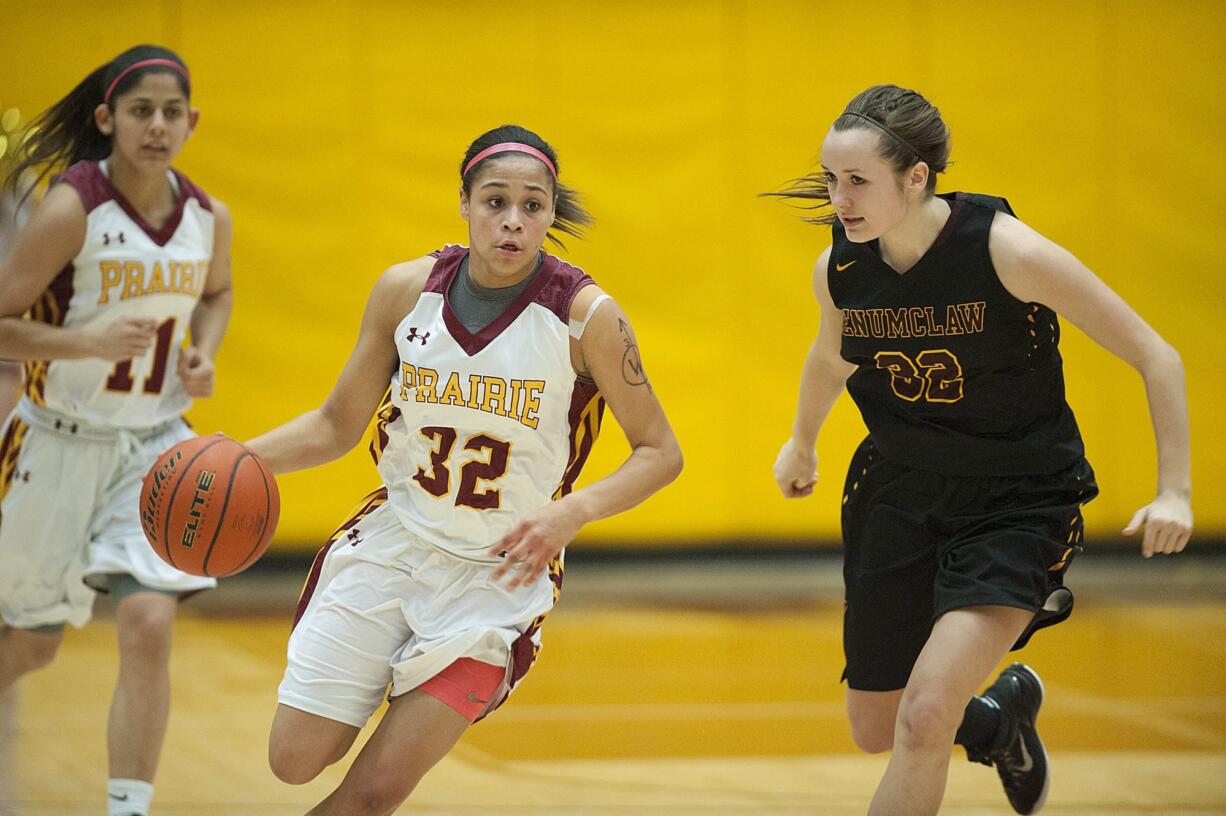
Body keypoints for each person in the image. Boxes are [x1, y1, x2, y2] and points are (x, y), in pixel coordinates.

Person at [770, 84, 1191, 816]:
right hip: (900, 489)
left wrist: (1175, 490)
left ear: (917, 176)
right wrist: (801, 442)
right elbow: (830, 357)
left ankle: (966, 710)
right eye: (832, 180)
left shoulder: (1007, 252)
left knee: (926, 713)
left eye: (858, 180)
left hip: (1016, 499)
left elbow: (1157, 355)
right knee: (876, 727)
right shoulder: (840, 266)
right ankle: (998, 718)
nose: (839, 198)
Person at [245, 124, 683, 815]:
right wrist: (235, 458)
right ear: (464, 202)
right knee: (293, 760)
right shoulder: (404, 292)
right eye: (495, 201)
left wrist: (575, 511)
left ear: (550, 212)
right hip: (394, 548)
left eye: (533, 206)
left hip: (497, 579)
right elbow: (335, 425)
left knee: (375, 792)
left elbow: (661, 451)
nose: (513, 220)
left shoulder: (585, 317)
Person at [0, 44, 233, 816]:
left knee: (147, 621)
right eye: (141, 111)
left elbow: (217, 295)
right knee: (31, 645)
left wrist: (203, 352)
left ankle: (127, 811)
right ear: (107, 120)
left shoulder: (207, 217)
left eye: (172, 113)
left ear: (191, 122)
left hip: (154, 446)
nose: (158, 125)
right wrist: (85, 344)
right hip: (54, 442)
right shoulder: (73, 208)